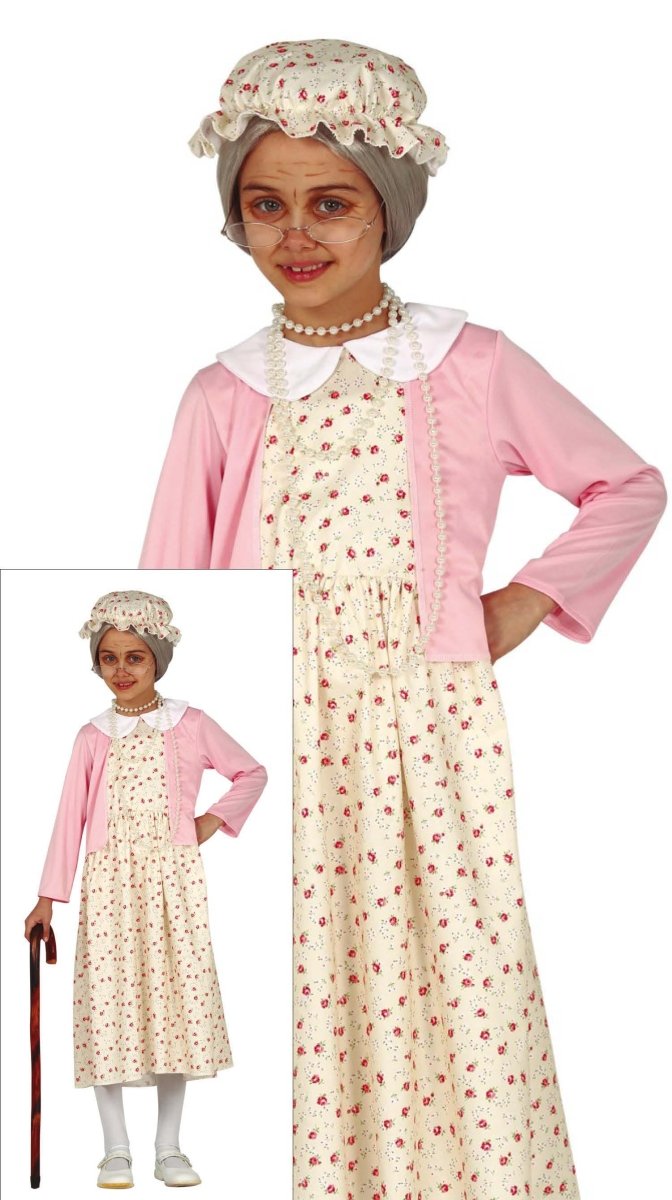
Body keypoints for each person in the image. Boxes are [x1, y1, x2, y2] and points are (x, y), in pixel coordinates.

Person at [139, 39, 667, 1199]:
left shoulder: (471, 365)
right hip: (281, 734)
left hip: (430, 725)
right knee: (293, 983)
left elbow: (627, 485)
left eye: (331, 203)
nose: (297, 234)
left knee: (456, 975)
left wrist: (524, 602)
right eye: (266, 204)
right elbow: (179, 592)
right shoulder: (223, 394)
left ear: (389, 204)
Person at [24, 589, 268, 1189]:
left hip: (172, 884)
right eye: (108, 658)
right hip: (110, 885)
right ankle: (115, 1149)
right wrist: (48, 899)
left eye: (135, 657)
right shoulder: (92, 735)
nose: (122, 670)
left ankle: (169, 1148)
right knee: (107, 1006)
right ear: (96, 662)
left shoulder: (190, 724)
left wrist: (209, 822)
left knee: (172, 1008)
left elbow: (251, 772)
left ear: (158, 657)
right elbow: (70, 820)